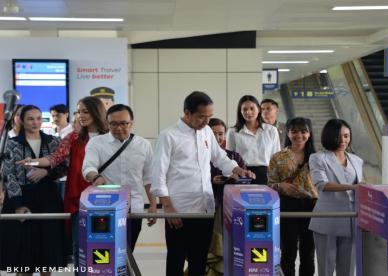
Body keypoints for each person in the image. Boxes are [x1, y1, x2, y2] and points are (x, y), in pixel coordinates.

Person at [152, 91, 254, 276]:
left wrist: (236, 169)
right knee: (176, 260)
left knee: (199, 260)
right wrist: (168, 207)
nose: (206, 121)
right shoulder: (169, 136)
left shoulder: (206, 131)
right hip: (179, 210)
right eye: (201, 117)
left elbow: (219, 157)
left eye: (209, 116)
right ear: (187, 113)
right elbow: (158, 174)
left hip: (205, 208)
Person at [16, 96, 108, 272]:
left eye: (85, 111)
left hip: (105, 199)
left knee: (103, 246)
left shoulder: (108, 137)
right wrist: (34, 162)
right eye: (79, 111)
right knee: (79, 247)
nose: (81, 115)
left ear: (97, 112)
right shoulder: (73, 137)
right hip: (77, 199)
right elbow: (55, 158)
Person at [1, 105, 68, 274]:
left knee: (47, 253)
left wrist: (46, 172)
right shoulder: (12, 144)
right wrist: (17, 205)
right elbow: (9, 175)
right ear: (21, 121)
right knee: (22, 257)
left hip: (48, 198)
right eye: (30, 119)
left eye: (39, 118)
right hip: (22, 197)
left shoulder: (53, 141)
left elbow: (64, 167)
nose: (35, 122)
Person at [82, 104, 157, 252]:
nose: (119, 128)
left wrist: (153, 205)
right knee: (104, 254)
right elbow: (88, 167)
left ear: (132, 123)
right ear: (107, 123)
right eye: (114, 124)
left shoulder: (143, 145)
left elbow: (148, 177)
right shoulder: (96, 143)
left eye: (124, 123)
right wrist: (96, 177)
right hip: (104, 207)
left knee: (127, 251)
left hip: (134, 208)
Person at [308, 119, 364, 276]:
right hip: (327, 220)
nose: (343, 140)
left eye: (346, 136)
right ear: (329, 137)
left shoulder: (357, 160)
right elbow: (322, 185)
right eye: (338, 136)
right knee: (326, 269)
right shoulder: (318, 158)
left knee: (347, 270)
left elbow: (361, 186)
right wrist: (353, 187)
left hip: (352, 221)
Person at [268, 117, 318, 276]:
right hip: (287, 205)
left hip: (313, 206)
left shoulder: (318, 157)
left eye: (304, 131)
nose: (299, 135)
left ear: (309, 134)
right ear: (288, 133)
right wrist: (279, 186)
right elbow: (269, 184)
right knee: (288, 250)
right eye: (294, 131)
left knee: (308, 252)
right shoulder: (278, 157)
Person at [206, 118, 246, 275]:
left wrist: (238, 178)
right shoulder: (199, 156)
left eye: (220, 134)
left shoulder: (235, 156)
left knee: (231, 248)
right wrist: (211, 181)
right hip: (206, 208)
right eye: (213, 134)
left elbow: (245, 181)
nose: (217, 138)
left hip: (232, 211)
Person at [226, 95, 281, 184]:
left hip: (266, 175)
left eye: (252, 108)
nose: (248, 112)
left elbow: (276, 157)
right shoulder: (233, 132)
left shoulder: (271, 130)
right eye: (244, 109)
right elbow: (229, 158)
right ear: (240, 111)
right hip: (243, 174)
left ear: (259, 110)